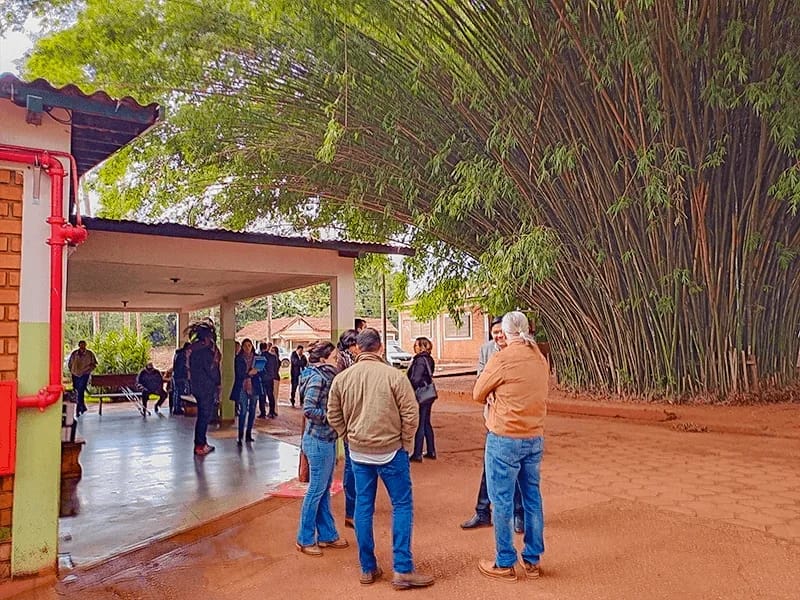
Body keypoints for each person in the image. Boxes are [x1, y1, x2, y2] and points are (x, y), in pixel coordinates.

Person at [328, 328, 433, 590]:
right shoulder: (394, 376)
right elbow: (411, 414)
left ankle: (367, 567)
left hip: (359, 452)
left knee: (363, 507)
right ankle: (403, 570)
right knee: (402, 505)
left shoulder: (343, 378)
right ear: (381, 347)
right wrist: (405, 443)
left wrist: (347, 436)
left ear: (358, 348)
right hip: (391, 451)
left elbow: (333, 414)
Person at [473, 311, 549, 582]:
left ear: (505, 332)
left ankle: (504, 561)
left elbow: (478, 392)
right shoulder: (539, 357)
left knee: (502, 501)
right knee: (532, 498)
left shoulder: (502, 358)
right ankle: (532, 560)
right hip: (534, 435)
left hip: (504, 437)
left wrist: (494, 395)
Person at [461, 317, 525, 533]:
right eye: (494, 332)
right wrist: (487, 391)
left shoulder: (520, 351)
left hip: (513, 418)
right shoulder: (487, 350)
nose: (498, 336)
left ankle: (519, 514)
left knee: (514, 467)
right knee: (489, 466)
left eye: (501, 332)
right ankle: (482, 512)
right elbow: (481, 376)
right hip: (493, 417)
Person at [295, 342, 349, 556]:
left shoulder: (322, 376)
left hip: (324, 439)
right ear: (324, 359)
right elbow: (308, 409)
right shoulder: (319, 378)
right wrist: (332, 417)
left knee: (323, 489)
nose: (338, 360)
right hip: (319, 440)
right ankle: (304, 538)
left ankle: (327, 534)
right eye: (334, 357)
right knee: (316, 490)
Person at [335, 328, 360, 529]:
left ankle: (357, 507)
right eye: (354, 344)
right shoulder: (341, 362)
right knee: (352, 465)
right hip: (349, 419)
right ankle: (351, 512)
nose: (357, 347)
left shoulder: (355, 360)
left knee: (359, 464)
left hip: (358, 418)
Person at [187, 321, 221, 456]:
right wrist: (218, 383)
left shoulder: (193, 351)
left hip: (196, 386)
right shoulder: (206, 353)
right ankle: (200, 445)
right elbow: (212, 370)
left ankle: (201, 443)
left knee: (202, 415)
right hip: (206, 387)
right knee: (204, 416)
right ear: (207, 338)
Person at [407, 337, 436, 462]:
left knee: (421, 423)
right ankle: (431, 450)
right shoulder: (429, 359)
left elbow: (416, 378)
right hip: (428, 393)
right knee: (426, 422)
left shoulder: (419, 360)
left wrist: (410, 387)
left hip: (421, 393)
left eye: (416, 345)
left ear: (421, 347)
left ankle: (417, 453)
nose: (414, 347)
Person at [234, 339, 262, 445]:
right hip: (242, 387)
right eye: (245, 346)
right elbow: (239, 374)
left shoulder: (257, 358)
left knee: (253, 410)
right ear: (242, 347)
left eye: (249, 345)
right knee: (243, 410)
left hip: (254, 387)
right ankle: (240, 435)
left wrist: (257, 371)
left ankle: (249, 434)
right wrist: (249, 373)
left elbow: (261, 372)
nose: (247, 348)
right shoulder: (238, 359)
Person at [67, 341, 97, 416]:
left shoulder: (89, 354)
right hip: (75, 374)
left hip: (84, 374)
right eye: (81, 345)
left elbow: (94, 364)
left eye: (83, 345)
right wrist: (72, 371)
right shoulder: (74, 353)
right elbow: (70, 364)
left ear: (85, 345)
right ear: (79, 345)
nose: (82, 346)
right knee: (77, 391)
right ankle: (82, 406)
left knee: (81, 390)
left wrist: (88, 371)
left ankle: (78, 408)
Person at [259, 342, 279, 418]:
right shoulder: (273, 357)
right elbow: (276, 367)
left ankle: (263, 413)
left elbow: (258, 369)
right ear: (266, 347)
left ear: (260, 348)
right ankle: (272, 412)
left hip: (262, 379)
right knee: (271, 395)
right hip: (270, 378)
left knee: (262, 396)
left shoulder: (260, 357)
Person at [171, 342, 190, 415]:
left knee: (176, 392)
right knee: (179, 392)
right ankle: (177, 409)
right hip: (180, 375)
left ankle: (176, 408)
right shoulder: (182, 355)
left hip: (176, 375)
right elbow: (183, 366)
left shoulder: (177, 354)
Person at [270, 345, 282, 410]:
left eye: (273, 351)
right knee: (272, 395)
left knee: (274, 395)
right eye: (271, 351)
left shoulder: (277, 360)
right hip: (272, 378)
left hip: (275, 378)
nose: (271, 352)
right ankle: (273, 410)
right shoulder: (273, 359)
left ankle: (275, 410)